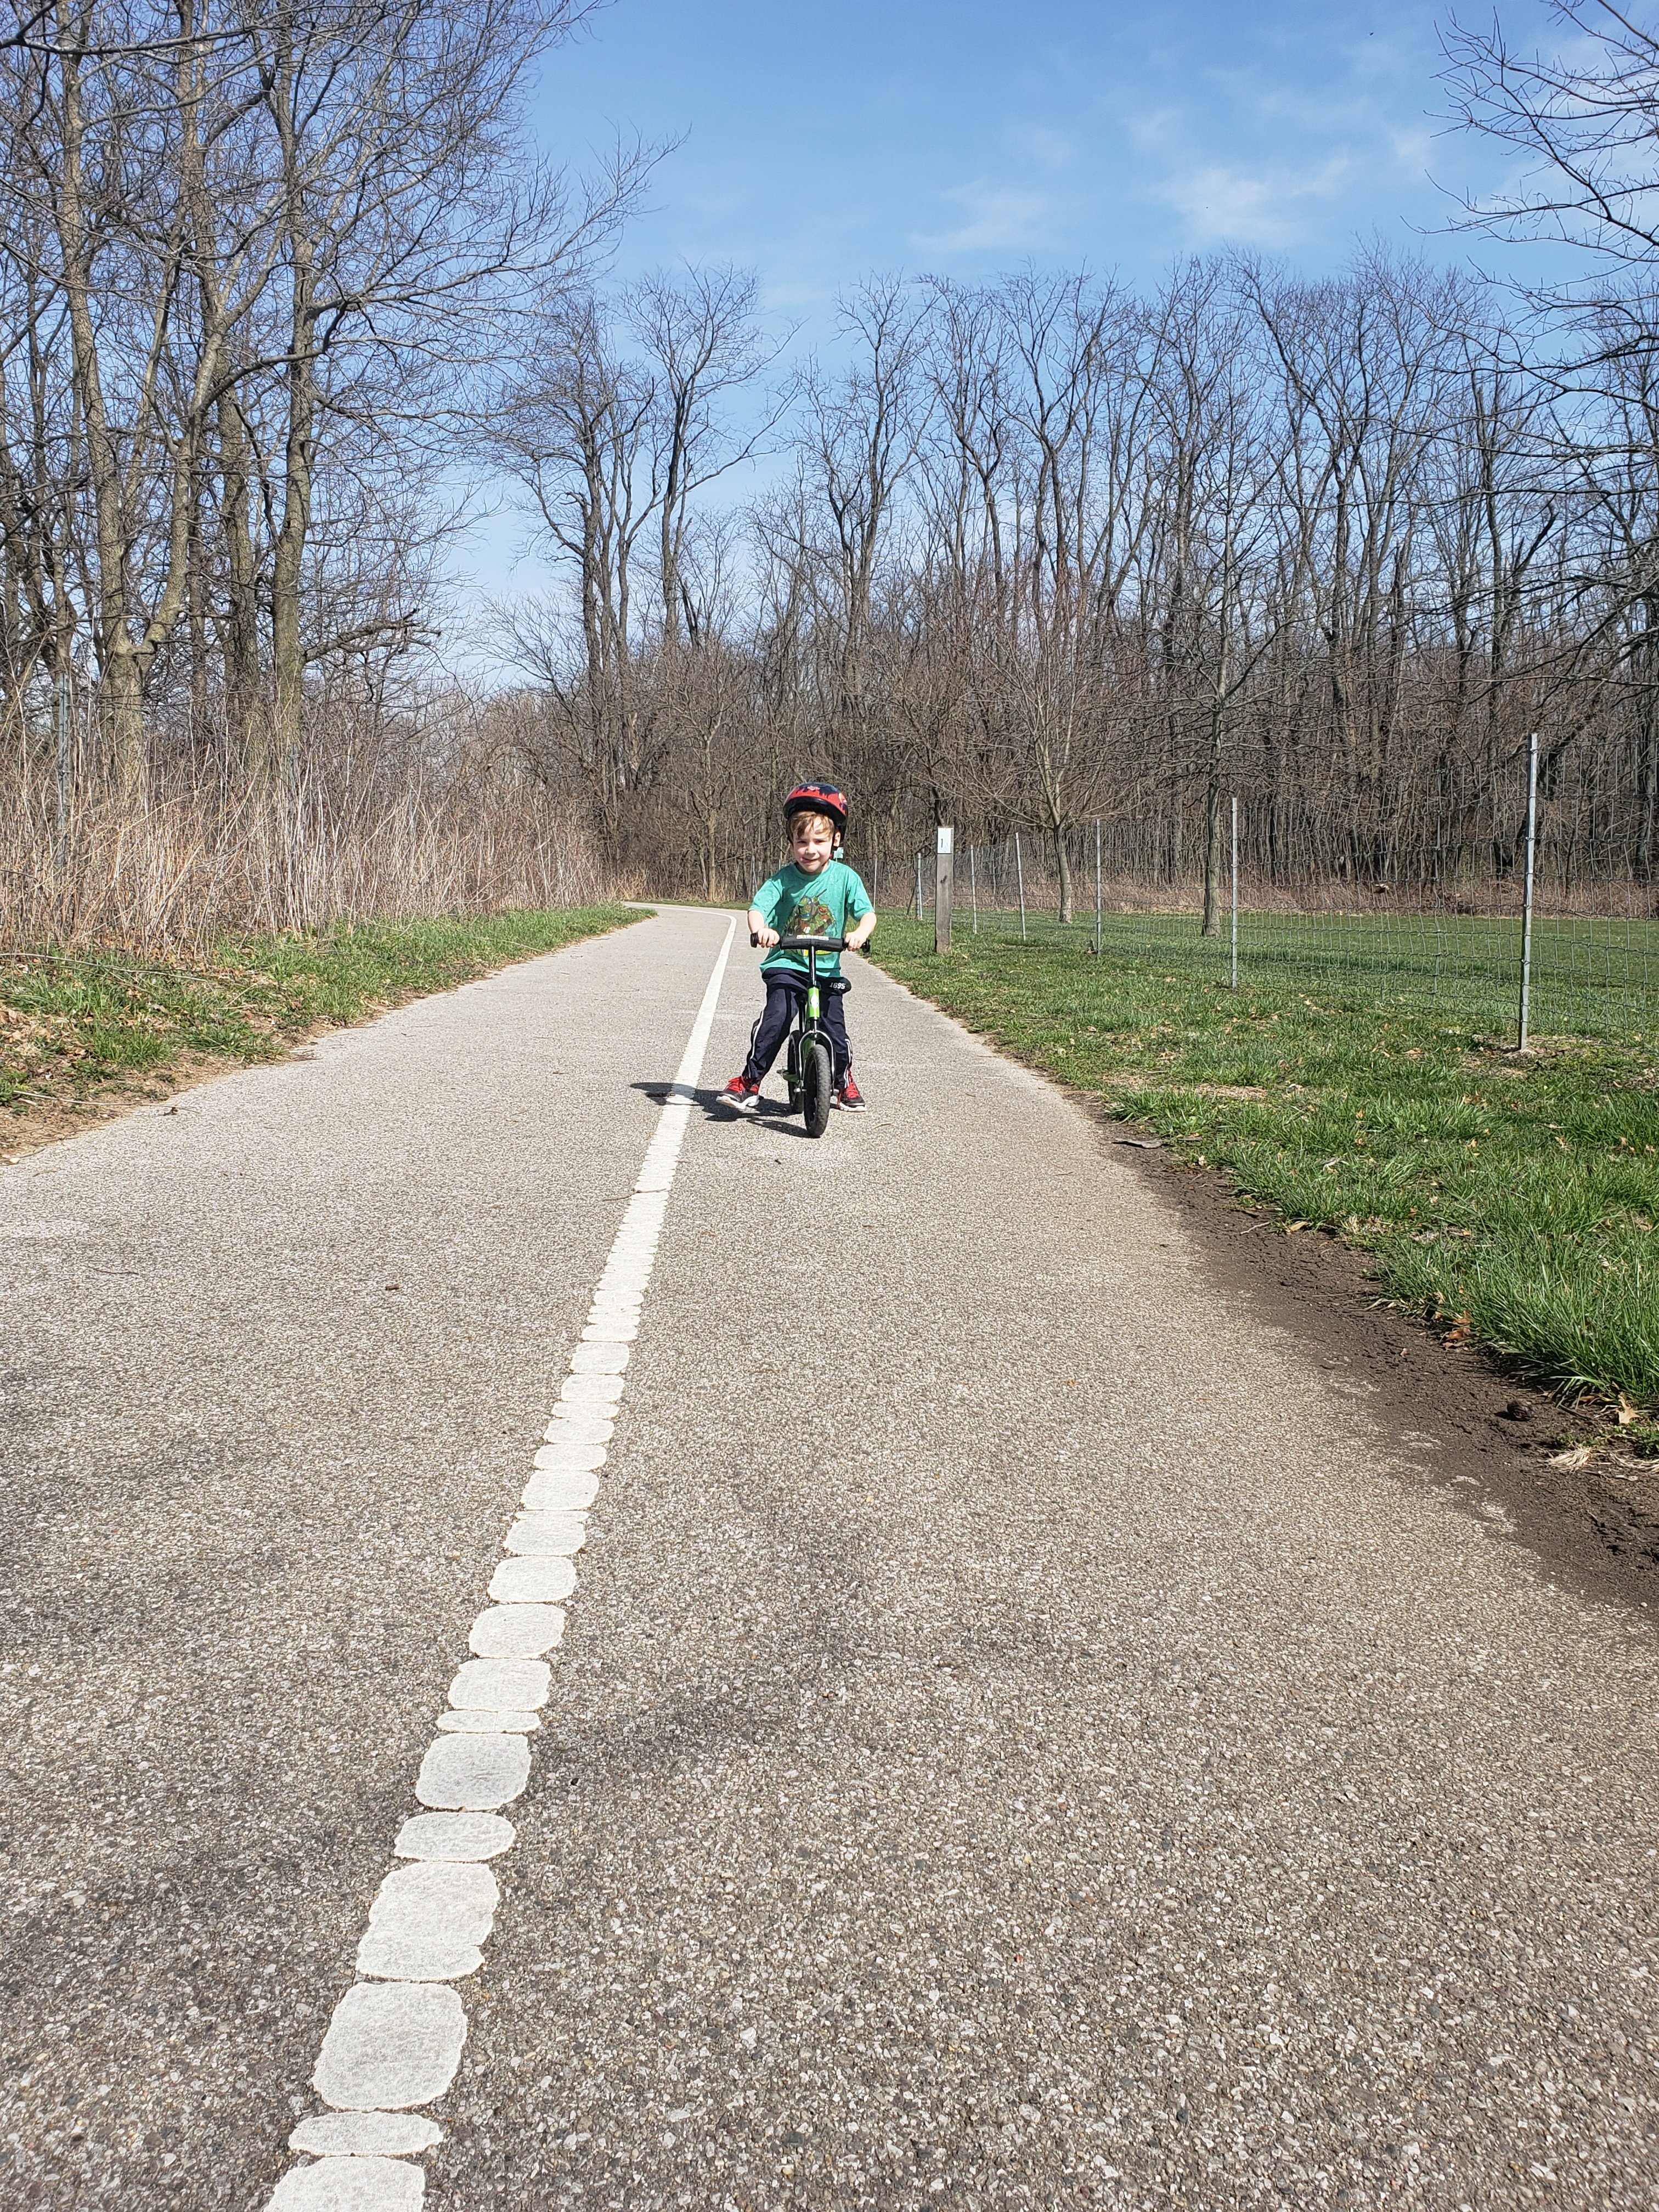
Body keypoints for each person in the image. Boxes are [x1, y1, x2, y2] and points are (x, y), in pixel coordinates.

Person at [723, 780, 876, 1114]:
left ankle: (843, 1082)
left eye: (819, 841)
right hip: (787, 964)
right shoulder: (783, 879)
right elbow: (757, 908)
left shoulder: (846, 878)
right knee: (777, 1017)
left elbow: (867, 915)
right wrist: (761, 930)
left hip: (826, 969)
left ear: (836, 840)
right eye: (802, 841)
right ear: (792, 842)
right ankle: (749, 1081)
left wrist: (859, 934)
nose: (810, 849)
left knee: (835, 1027)